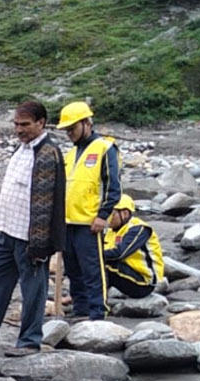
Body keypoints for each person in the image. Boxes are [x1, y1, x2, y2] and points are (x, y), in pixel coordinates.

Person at [0, 101, 66, 356]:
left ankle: (30, 340)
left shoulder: (46, 154)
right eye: (16, 124)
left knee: (33, 290)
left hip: (31, 237)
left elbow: (46, 202)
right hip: (8, 230)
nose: (19, 130)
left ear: (41, 123)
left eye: (25, 125)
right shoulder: (22, 149)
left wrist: (40, 244)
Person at [57, 101, 122, 321]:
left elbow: (113, 186)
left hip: (89, 222)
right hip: (68, 221)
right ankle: (81, 308)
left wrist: (102, 216)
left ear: (86, 123)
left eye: (72, 129)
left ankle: (97, 311)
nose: (69, 134)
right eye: (67, 130)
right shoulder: (71, 153)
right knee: (73, 269)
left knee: (92, 269)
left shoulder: (105, 148)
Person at [103, 195, 164, 299]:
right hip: (127, 273)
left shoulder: (138, 229)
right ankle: (82, 297)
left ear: (125, 213)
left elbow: (119, 254)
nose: (107, 218)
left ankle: (95, 302)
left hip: (144, 282)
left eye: (111, 214)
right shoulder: (110, 231)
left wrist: (91, 255)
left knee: (103, 266)